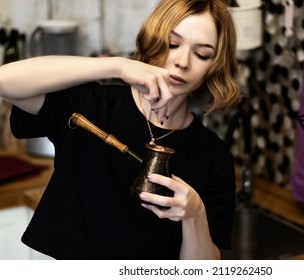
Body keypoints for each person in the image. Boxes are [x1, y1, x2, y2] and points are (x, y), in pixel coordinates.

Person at [0, 0, 241, 259]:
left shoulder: (213, 156)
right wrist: (116, 65)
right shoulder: (93, 105)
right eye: (173, 44)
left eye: (202, 54)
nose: (183, 62)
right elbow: (5, 82)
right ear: (154, 39)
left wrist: (195, 215)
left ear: (214, 67)